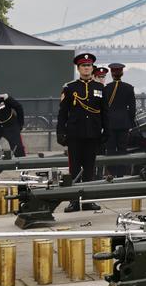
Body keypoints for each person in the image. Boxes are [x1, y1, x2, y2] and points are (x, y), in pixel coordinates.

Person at [57, 52, 110, 210]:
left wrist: (106, 131)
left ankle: (87, 201)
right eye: (83, 66)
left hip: (93, 133)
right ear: (78, 68)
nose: (86, 68)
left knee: (89, 168)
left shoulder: (99, 87)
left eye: (89, 66)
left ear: (92, 68)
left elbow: (105, 112)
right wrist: (60, 132)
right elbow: (62, 113)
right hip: (74, 134)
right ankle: (74, 201)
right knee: (74, 169)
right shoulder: (70, 87)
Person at [104, 62, 137, 175]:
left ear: (112, 74)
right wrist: (130, 122)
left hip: (110, 124)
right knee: (123, 150)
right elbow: (132, 109)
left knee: (111, 150)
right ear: (122, 73)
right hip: (124, 123)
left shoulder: (106, 88)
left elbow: (104, 108)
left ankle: (111, 173)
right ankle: (121, 173)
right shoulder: (129, 88)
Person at [0, 83, 25, 157]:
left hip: (11, 126)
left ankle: (21, 166)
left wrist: (20, 124)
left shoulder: (3, 98)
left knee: (18, 148)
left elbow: (19, 107)